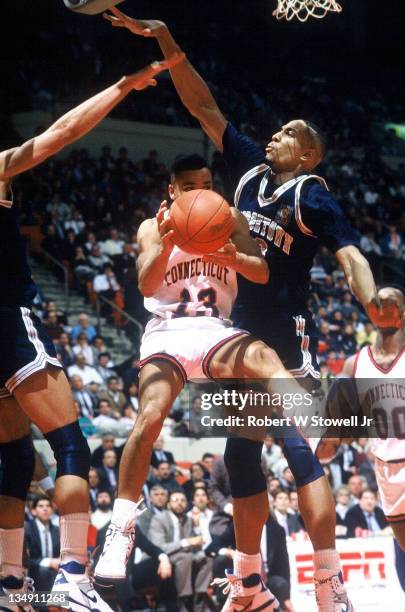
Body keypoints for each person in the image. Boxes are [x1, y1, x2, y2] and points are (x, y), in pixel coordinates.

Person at [104, 8, 402, 611]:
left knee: (293, 447)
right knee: (241, 452)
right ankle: (249, 582)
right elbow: (203, 107)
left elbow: (348, 255)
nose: (276, 134)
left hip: (286, 333)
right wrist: (169, 41)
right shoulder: (245, 171)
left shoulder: (311, 194)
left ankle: (328, 578)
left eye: (290, 132)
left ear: (309, 153)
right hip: (233, 329)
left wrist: (370, 298)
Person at [0, 53, 183, 612]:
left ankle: (9, 585)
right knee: (70, 447)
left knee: (13, 459)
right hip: (7, 318)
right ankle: (73, 576)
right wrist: (124, 86)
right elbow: (60, 133)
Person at [95, 153, 301, 612]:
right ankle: (121, 528)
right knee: (149, 416)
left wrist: (234, 254)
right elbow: (148, 285)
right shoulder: (154, 225)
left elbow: (262, 272)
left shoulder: (227, 219)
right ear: (173, 189)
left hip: (216, 331)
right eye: (189, 184)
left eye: (206, 182)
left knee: (265, 356)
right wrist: (169, 242)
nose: (200, 190)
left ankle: (317, 423)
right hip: (168, 331)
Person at [319, 286, 405, 610]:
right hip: (387, 470)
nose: (385, 304)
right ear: (370, 312)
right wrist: (327, 444)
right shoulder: (353, 366)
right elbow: (336, 426)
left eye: (393, 301)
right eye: (378, 301)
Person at [24, 496, 61, 592]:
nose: (45, 509)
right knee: (44, 571)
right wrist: (49, 562)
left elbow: (60, 554)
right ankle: (43, 605)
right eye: (41, 506)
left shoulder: (57, 530)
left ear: (52, 510)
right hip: (32, 570)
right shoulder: (27, 529)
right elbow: (25, 560)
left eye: (48, 506)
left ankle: (59, 603)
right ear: (34, 511)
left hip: (55, 569)